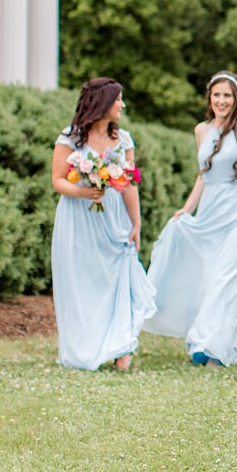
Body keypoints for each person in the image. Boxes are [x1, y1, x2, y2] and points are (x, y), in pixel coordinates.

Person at [145, 73, 237, 366]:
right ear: (209, 98)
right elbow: (204, 174)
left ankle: (212, 347)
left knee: (227, 278)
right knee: (209, 279)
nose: (222, 101)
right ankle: (222, 343)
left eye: (227, 95)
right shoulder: (201, 130)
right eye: (216, 95)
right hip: (211, 212)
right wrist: (187, 209)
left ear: (236, 99)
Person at [50, 77, 156, 371]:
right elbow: (58, 180)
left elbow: (131, 184)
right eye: (118, 99)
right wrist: (85, 191)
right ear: (102, 102)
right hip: (78, 217)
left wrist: (136, 223)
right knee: (83, 283)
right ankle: (86, 348)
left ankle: (121, 346)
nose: (122, 105)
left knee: (118, 279)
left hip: (113, 217)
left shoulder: (123, 140)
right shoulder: (70, 138)